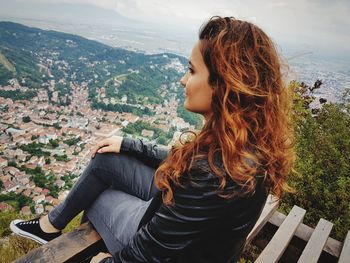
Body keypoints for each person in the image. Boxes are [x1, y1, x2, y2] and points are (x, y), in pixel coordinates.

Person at [10, 16, 295, 263]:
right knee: (107, 160)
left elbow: (152, 252)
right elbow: (182, 162)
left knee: (99, 196)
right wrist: (129, 144)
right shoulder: (241, 141)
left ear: (225, 85)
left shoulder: (215, 174)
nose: (184, 80)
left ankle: (80, 247)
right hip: (173, 208)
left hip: (170, 238)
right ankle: (48, 226)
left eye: (192, 71)